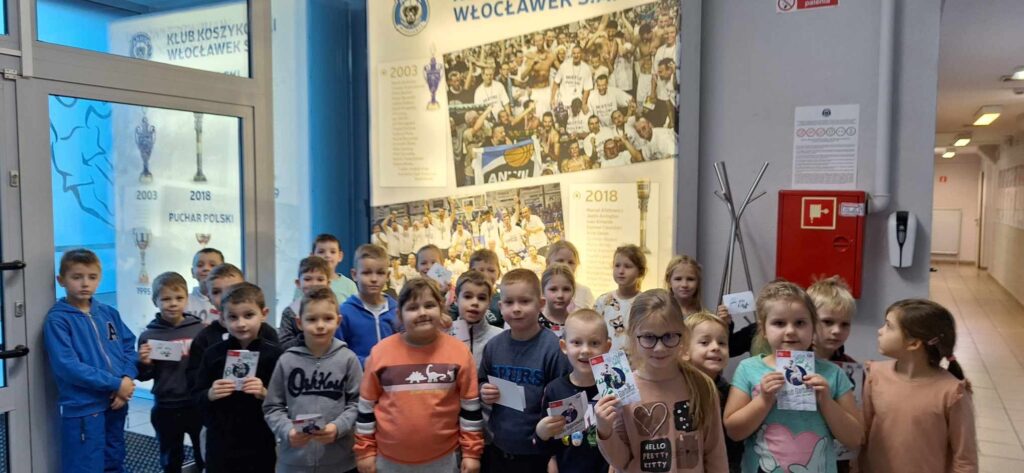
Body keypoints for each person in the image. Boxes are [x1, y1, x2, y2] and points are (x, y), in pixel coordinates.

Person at [723, 281, 861, 473]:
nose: (790, 331)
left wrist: (826, 401)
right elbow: (734, 432)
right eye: (779, 323)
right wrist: (763, 400)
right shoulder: (748, 369)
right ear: (763, 329)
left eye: (800, 323)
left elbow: (854, 439)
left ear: (813, 327)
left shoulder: (833, 373)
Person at [354, 278, 484, 473]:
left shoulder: (459, 353)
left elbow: (470, 407)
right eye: (413, 308)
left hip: (443, 459)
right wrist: (365, 452)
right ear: (400, 314)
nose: (422, 313)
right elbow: (366, 407)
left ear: (441, 308)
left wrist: (471, 453)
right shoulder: (380, 353)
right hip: (388, 459)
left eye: (429, 305)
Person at [595, 289, 728, 472]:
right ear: (633, 336)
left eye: (669, 336)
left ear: (683, 334)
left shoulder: (702, 385)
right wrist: (604, 430)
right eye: (649, 337)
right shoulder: (623, 389)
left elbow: (715, 454)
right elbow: (622, 462)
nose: (659, 348)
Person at [44, 249, 138, 473]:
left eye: (92, 277)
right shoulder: (58, 320)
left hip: (116, 402)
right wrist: (115, 383)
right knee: (86, 465)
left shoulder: (108, 313)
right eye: (77, 277)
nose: (85, 283)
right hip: (84, 409)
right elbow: (68, 366)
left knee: (114, 459)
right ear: (61, 280)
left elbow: (128, 347)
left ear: (99, 279)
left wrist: (127, 379)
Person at [860, 299, 977, 473]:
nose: (880, 331)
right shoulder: (875, 375)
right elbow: (863, 433)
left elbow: (965, 461)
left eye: (889, 326)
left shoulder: (952, 392)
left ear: (914, 343)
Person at [479, 269, 573, 472]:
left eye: (524, 301)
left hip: (538, 453)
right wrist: (484, 390)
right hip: (498, 447)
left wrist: (554, 454)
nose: (516, 309)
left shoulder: (553, 348)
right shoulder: (493, 346)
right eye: (509, 302)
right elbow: (481, 381)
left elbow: (564, 402)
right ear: (500, 307)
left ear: (540, 304)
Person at [264, 287, 363, 473]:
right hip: (294, 463)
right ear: (299, 323)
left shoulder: (348, 359)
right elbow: (272, 407)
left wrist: (338, 427)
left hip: (341, 463)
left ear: (338, 321)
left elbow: (358, 403)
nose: (320, 325)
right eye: (311, 319)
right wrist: (287, 431)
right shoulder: (286, 360)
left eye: (327, 318)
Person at [194, 283, 283, 472]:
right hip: (221, 442)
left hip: (260, 441)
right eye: (233, 317)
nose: (241, 323)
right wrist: (210, 394)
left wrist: (265, 393)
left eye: (248, 315)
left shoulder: (276, 355)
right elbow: (196, 396)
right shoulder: (213, 355)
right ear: (222, 319)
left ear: (264, 314)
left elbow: (286, 402)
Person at [137, 272, 206, 473]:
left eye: (179, 298)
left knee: (204, 452)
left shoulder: (200, 330)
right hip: (166, 406)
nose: (173, 303)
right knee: (170, 457)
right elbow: (144, 375)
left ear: (186, 299)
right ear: (155, 301)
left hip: (196, 403)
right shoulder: (149, 335)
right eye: (166, 299)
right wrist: (144, 363)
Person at [535, 309, 611, 473]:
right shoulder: (554, 389)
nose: (585, 350)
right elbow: (546, 441)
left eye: (594, 343)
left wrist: (617, 461)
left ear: (607, 347)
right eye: (576, 342)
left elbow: (624, 433)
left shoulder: (612, 388)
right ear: (564, 346)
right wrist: (541, 434)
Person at [186, 264, 279, 393]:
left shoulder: (268, 335)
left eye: (234, 290)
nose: (226, 296)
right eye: (217, 292)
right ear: (208, 296)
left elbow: (281, 388)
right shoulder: (204, 339)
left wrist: (265, 393)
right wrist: (210, 393)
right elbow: (195, 386)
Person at [684, 311, 742, 473]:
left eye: (722, 343)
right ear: (684, 350)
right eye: (705, 342)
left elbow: (733, 447)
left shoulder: (731, 394)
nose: (716, 347)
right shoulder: (676, 389)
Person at [338, 244, 399, 366]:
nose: (374, 279)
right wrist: (364, 362)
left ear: (387, 276)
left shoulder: (397, 310)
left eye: (380, 273)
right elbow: (338, 352)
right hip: (359, 376)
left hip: (393, 375)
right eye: (366, 273)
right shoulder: (344, 312)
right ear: (354, 275)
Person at [596, 245, 646, 353]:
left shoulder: (645, 302)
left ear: (640, 271)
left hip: (636, 359)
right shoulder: (603, 301)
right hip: (608, 358)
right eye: (617, 265)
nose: (621, 271)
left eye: (627, 266)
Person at [278, 256, 332, 350]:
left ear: (328, 284)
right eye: (307, 279)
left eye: (320, 279)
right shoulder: (290, 312)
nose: (314, 284)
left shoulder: (333, 310)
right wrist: (306, 336)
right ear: (298, 283)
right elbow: (283, 346)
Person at [451, 271, 501, 365]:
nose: (475, 302)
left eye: (481, 298)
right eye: (468, 297)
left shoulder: (500, 338)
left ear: (489, 303)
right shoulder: (445, 335)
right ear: (456, 300)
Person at [295, 234, 359, 303]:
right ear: (312, 256)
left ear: (340, 256)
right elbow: (295, 306)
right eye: (321, 252)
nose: (327, 255)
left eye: (332, 252)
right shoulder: (304, 283)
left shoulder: (349, 285)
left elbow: (356, 307)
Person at [545, 240, 595, 309]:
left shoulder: (585, 293)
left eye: (571, 262)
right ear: (548, 263)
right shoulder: (538, 291)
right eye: (560, 261)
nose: (566, 266)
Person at [187, 247, 224, 324]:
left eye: (212, 265)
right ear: (192, 272)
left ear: (223, 270)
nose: (206, 268)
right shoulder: (184, 302)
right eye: (200, 265)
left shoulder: (229, 301)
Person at [538, 263, 575, 335]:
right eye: (553, 289)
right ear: (542, 291)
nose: (560, 295)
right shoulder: (533, 324)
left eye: (566, 289)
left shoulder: (577, 324)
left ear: (573, 292)